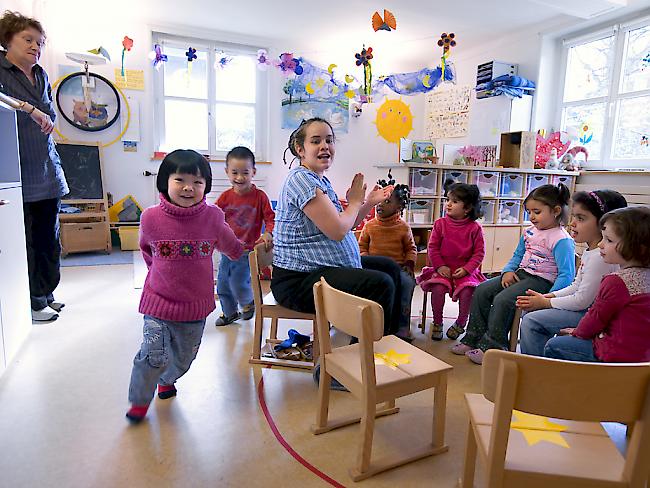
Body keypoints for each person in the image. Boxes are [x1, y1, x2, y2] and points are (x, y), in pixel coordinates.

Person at [126, 150, 243, 423]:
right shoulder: (150, 217)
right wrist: (158, 275)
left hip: (195, 305)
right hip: (158, 302)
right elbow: (147, 251)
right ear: (165, 181)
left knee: (182, 359)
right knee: (151, 354)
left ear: (207, 187)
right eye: (180, 179)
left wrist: (248, 251)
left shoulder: (213, 217)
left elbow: (230, 245)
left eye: (198, 182)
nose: (189, 187)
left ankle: (167, 379)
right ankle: (139, 401)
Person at [270, 117, 404, 338]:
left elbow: (344, 224)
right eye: (316, 141)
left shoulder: (318, 180)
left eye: (329, 140)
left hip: (318, 271)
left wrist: (367, 202)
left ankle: (387, 338)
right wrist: (354, 202)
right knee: (380, 284)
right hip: (298, 282)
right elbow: (338, 231)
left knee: (388, 267)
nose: (325, 146)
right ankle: (361, 360)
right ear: (300, 149)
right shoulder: (302, 181)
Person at [452, 183, 575, 364]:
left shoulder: (562, 239)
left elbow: (566, 275)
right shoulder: (529, 232)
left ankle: (493, 347)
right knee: (481, 291)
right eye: (529, 212)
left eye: (537, 212)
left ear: (556, 211)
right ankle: (473, 337)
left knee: (503, 300)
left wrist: (548, 299)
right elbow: (517, 255)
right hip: (521, 274)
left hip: (542, 282)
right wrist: (508, 271)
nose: (532, 217)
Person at [0, 11, 69, 322]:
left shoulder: (41, 75)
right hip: (19, 170)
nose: (35, 47)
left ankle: (46, 292)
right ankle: (34, 299)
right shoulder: (2, 71)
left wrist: (46, 116)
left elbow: (48, 114)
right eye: (27, 40)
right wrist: (28, 108)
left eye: (39, 43)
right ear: (7, 40)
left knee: (49, 239)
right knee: (27, 241)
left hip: (47, 169)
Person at [518, 190, 627, 356]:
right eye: (574, 216)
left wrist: (546, 303)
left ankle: (536, 368)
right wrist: (549, 297)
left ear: (603, 224)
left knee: (531, 321)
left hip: (592, 314)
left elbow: (582, 300)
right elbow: (576, 285)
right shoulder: (592, 251)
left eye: (581, 218)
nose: (573, 223)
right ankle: (543, 361)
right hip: (586, 310)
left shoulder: (600, 257)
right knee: (532, 313)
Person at [543, 206, 650, 362]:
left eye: (609, 240)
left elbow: (596, 317)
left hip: (616, 354)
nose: (600, 244)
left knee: (554, 344)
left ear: (638, 248)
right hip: (643, 357)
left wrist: (577, 332)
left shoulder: (615, 281)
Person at [417, 183, 486, 341]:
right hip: (442, 268)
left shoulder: (475, 228)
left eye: (454, 201)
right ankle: (438, 322)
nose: (448, 204)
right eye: (448, 199)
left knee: (468, 290)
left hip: (465, 271)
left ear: (467, 208)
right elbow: (432, 248)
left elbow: (479, 253)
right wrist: (440, 265)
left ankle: (461, 322)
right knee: (438, 288)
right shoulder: (440, 224)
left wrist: (467, 269)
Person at [215, 146, 274, 326]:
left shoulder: (260, 196)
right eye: (234, 173)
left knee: (238, 282)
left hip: (247, 250)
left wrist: (268, 233)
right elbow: (214, 218)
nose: (239, 178)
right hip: (227, 249)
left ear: (253, 172)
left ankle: (248, 303)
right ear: (227, 172)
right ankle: (230, 313)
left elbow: (270, 217)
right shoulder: (225, 197)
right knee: (223, 283)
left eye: (245, 173)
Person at [358, 182, 417, 340]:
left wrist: (409, 264)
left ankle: (402, 326)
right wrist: (365, 257)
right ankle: (371, 324)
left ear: (399, 207)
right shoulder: (369, 226)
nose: (380, 205)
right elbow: (362, 246)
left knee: (406, 284)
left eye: (388, 202)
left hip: (398, 268)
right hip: (374, 268)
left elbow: (411, 249)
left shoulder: (403, 227)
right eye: (380, 201)